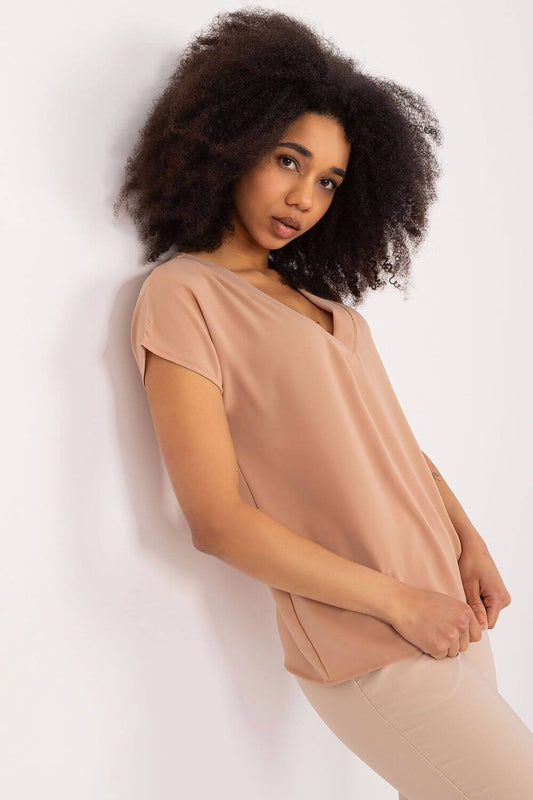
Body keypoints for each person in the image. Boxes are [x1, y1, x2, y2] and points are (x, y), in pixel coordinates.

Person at [115, 8, 533, 798]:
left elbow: (393, 447)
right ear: (230, 143)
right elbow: (215, 520)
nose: (304, 196)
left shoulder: (331, 310)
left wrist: (467, 540)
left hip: (445, 615)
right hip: (368, 639)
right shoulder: (183, 295)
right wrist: (397, 601)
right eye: (286, 160)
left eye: (329, 181)